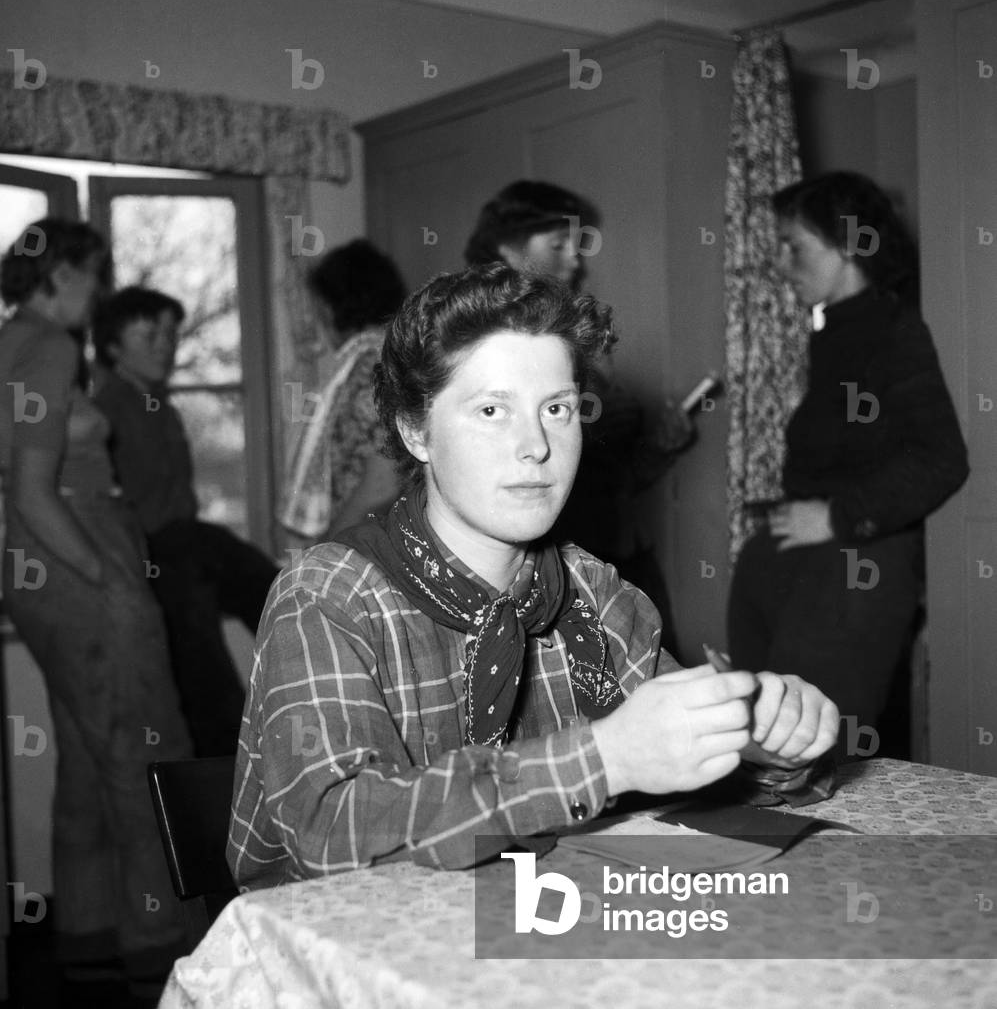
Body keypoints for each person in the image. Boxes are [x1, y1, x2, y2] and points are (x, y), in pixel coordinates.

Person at [228, 263, 839, 887]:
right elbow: (331, 831)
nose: (536, 445)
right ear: (416, 431)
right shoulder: (326, 597)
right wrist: (603, 759)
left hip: (529, 927)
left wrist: (771, 737)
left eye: (557, 408)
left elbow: (687, 755)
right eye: (492, 409)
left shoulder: (593, 592)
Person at [0, 221, 192, 1002]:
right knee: (146, 749)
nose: (100, 291)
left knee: (87, 755)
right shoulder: (47, 345)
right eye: (93, 274)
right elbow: (34, 490)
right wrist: (104, 577)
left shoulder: (11, 338)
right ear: (65, 274)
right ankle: (164, 943)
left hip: (31, 567)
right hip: (76, 553)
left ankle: (88, 932)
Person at [726, 171, 969, 755]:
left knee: (810, 753)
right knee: (757, 748)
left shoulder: (894, 330)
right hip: (795, 568)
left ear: (850, 246)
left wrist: (836, 518)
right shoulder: (831, 333)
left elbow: (941, 458)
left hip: (853, 572)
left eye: (794, 245)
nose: (782, 263)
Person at [465, 181, 694, 652]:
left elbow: (610, 478)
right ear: (507, 247)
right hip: (550, 566)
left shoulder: (570, 337)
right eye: (557, 244)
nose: (574, 260)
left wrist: (661, 447)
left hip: (618, 553)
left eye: (576, 244)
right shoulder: (474, 344)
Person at [92, 285, 278, 758]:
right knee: (206, 686)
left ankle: (311, 679)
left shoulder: (159, 405)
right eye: (149, 332)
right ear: (113, 345)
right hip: (149, 559)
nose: (166, 343)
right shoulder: (106, 410)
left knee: (278, 591)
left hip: (186, 547)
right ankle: (228, 768)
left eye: (171, 332)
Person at [278, 239, 406, 544]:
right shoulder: (388, 355)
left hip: (369, 548)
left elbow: (384, 480)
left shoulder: (371, 367)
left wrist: (327, 550)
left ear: (329, 307)